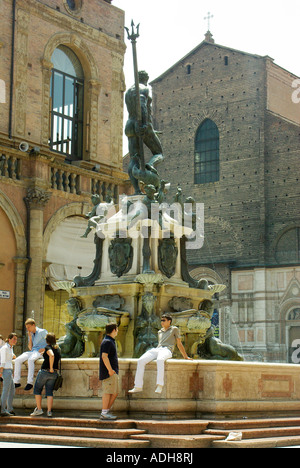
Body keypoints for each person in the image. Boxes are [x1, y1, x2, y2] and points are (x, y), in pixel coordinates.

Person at [129, 313, 192, 394]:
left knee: (160, 360)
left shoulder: (174, 329)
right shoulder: (159, 331)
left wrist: (185, 356)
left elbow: (179, 344)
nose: (162, 322)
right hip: (158, 349)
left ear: (169, 321)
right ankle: (138, 386)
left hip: (167, 350)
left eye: (164, 320)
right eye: (161, 320)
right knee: (141, 360)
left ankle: (160, 385)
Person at [30, 333, 61, 418]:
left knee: (37, 389)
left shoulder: (48, 347)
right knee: (49, 392)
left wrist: (50, 367)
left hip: (45, 371)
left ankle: (39, 410)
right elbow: (53, 354)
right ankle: (49, 411)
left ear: (47, 340)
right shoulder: (57, 348)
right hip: (54, 374)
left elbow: (51, 355)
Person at [14, 319, 48, 391]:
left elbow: (51, 342)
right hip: (33, 351)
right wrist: (29, 337)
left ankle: (30, 383)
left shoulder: (42, 331)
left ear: (33, 325)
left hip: (39, 352)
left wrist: (45, 349)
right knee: (17, 360)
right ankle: (16, 382)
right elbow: (30, 348)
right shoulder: (32, 334)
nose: (28, 329)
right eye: (27, 328)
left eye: (29, 327)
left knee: (30, 360)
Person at [99, 324, 119, 420]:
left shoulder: (109, 341)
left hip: (112, 372)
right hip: (109, 372)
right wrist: (110, 370)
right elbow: (104, 356)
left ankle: (106, 411)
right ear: (114, 330)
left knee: (114, 392)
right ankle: (104, 412)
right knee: (108, 392)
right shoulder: (107, 342)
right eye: (117, 329)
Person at [0, 333, 18, 416]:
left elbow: (11, 357)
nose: (15, 341)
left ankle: (9, 409)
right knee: (6, 390)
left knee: (11, 390)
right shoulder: (5, 348)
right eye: (14, 339)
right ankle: (2, 410)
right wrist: (0, 372)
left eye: (16, 339)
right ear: (9, 339)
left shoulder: (10, 348)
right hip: (6, 370)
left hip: (9, 370)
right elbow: (2, 361)